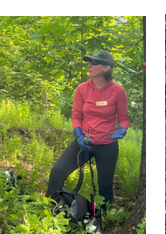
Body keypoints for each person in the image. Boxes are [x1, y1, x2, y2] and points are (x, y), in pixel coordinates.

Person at [46, 50, 130, 212]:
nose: (90, 65)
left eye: (95, 63)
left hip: (108, 145)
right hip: (84, 143)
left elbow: (124, 118)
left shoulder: (118, 91)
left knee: (105, 185)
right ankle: (51, 208)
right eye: (90, 62)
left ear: (106, 68)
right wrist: (78, 135)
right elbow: (76, 116)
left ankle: (103, 218)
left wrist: (122, 129)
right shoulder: (82, 88)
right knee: (57, 171)